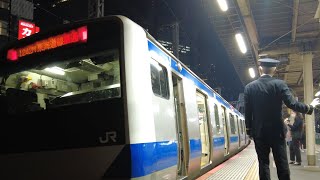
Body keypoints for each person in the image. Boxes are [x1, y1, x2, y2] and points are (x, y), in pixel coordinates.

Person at [244, 58, 320, 180]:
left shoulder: (249, 87)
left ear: (260, 69)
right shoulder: (279, 84)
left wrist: (249, 130)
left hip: (259, 132)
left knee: (263, 164)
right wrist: (309, 108)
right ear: (275, 70)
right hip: (277, 132)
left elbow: (248, 112)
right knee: (282, 163)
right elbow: (292, 104)